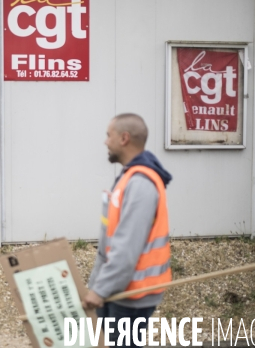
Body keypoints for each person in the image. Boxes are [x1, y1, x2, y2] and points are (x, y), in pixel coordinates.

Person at [82, 113, 172, 347]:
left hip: (132, 293)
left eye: (108, 135)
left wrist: (99, 290)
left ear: (124, 138)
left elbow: (126, 248)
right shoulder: (129, 178)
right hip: (118, 287)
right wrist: (97, 285)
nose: (105, 142)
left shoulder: (140, 184)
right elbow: (110, 242)